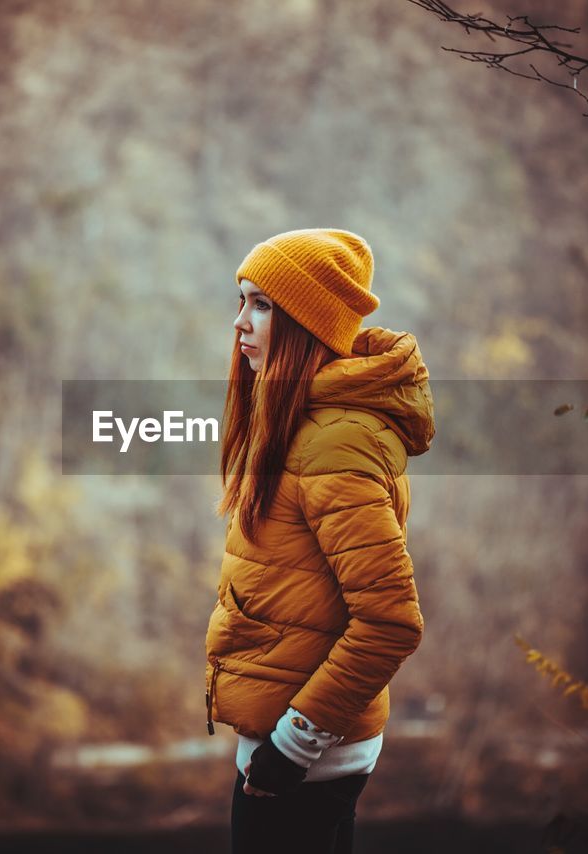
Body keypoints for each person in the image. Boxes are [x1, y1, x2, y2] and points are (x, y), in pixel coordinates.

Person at [206, 227, 435, 853]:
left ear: (307, 323)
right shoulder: (300, 422)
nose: (240, 322)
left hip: (301, 764)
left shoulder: (336, 440)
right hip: (293, 752)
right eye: (242, 300)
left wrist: (291, 748)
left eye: (262, 305)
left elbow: (390, 621)